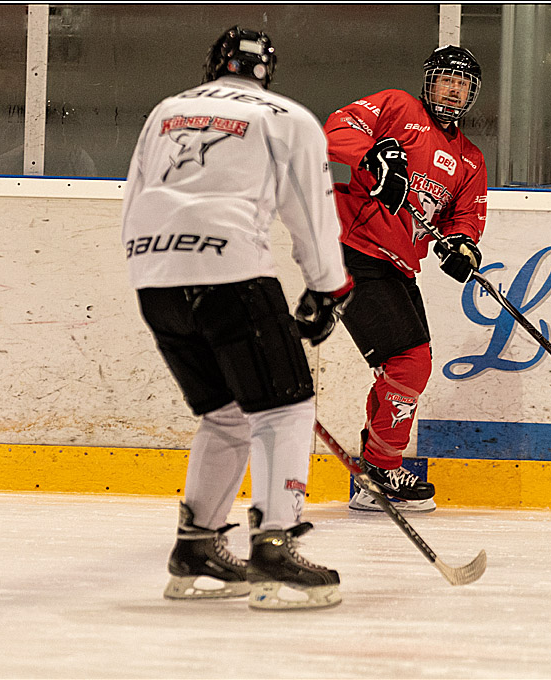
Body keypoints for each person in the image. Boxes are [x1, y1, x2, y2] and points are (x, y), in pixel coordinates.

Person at [122, 27, 353, 610]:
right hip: (231, 274)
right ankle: (274, 549)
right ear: (265, 72)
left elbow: (135, 194)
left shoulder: (167, 111)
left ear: (212, 66)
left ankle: (197, 546)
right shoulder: (287, 116)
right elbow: (310, 208)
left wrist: (151, 270)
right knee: (286, 408)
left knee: (226, 416)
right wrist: (328, 289)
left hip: (154, 278)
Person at [323, 45, 488, 513]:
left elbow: (466, 216)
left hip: (398, 265)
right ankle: (379, 468)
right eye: (446, 79)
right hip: (354, 251)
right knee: (408, 361)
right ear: (429, 81)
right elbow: (337, 129)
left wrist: (462, 246)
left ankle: (375, 469)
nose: (454, 89)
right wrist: (374, 157)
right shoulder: (398, 107)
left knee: (409, 365)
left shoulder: (470, 158)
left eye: (463, 83)